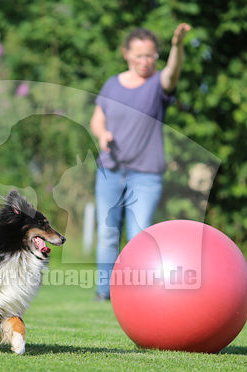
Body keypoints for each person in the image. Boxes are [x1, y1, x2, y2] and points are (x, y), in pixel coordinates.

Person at [90, 23, 191, 301]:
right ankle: (103, 293)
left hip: (145, 174)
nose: (145, 61)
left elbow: (173, 73)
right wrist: (102, 134)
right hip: (110, 170)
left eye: (150, 56)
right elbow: (97, 119)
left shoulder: (158, 85)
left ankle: (134, 296)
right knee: (109, 234)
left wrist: (177, 46)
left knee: (139, 235)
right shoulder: (112, 84)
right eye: (139, 55)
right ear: (126, 54)